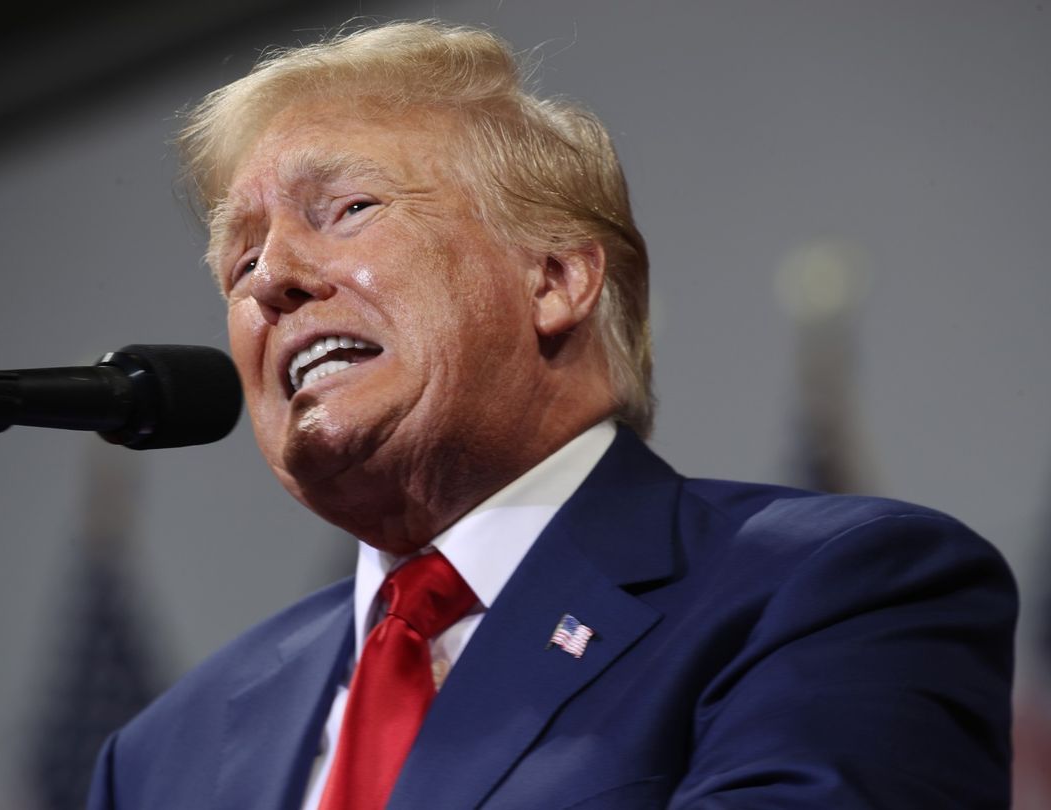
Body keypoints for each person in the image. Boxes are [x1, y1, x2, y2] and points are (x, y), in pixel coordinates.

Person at [87, 20, 1016, 809]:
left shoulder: (828, 593)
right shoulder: (163, 755)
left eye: (348, 209)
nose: (275, 280)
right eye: (240, 263)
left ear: (556, 279)